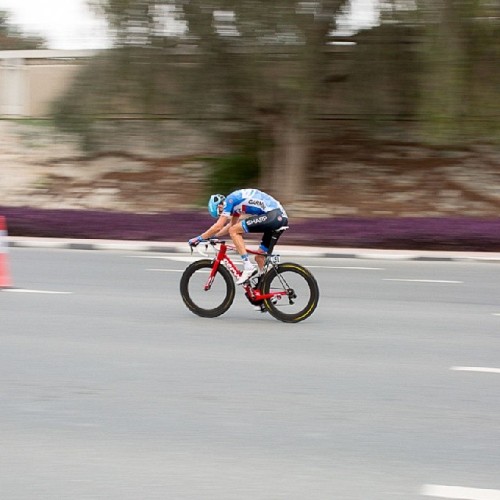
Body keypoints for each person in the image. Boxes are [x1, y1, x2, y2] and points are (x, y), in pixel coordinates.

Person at [189, 188, 289, 285]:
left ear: (220, 203)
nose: (222, 214)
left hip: (274, 215)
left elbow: (219, 226)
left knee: (235, 231)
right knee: (259, 257)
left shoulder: (230, 200)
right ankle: (266, 292)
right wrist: (214, 236)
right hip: (277, 217)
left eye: (220, 211)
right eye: (219, 214)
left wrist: (199, 238)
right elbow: (230, 227)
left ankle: (247, 266)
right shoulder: (236, 207)